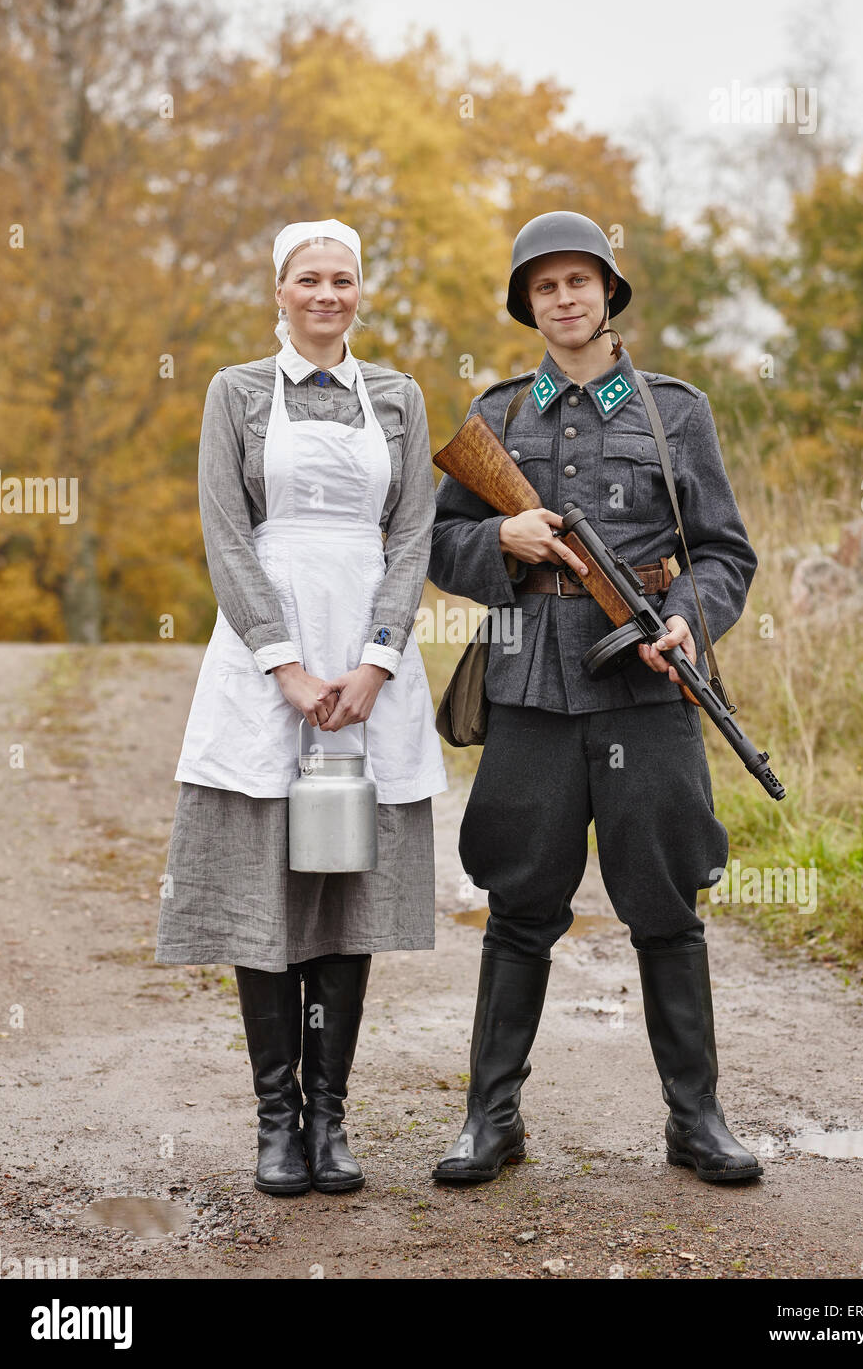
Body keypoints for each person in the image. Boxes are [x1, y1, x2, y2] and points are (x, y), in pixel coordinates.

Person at [427, 210, 763, 1184]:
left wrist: (690, 619)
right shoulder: (495, 415)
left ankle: (694, 1121)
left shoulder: (674, 410)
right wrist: (499, 542)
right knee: (519, 902)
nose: (564, 298)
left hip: (645, 688)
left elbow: (725, 552)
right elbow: (440, 544)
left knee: (665, 904)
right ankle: (491, 1121)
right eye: (545, 285)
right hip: (530, 686)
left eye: (580, 281)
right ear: (527, 303)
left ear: (607, 293)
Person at [155, 219, 447, 1197]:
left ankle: (331, 1121)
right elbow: (225, 534)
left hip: (368, 660)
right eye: (308, 279)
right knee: (268, 885)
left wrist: (376, 661)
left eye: (343, 279)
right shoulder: (235, 392)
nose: (327, 293)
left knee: (345, 882)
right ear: (279, 290)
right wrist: (282, 663)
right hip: (261, 661)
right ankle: (275, 1122)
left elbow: (411, 539)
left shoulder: (400, 397)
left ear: (360, 292)